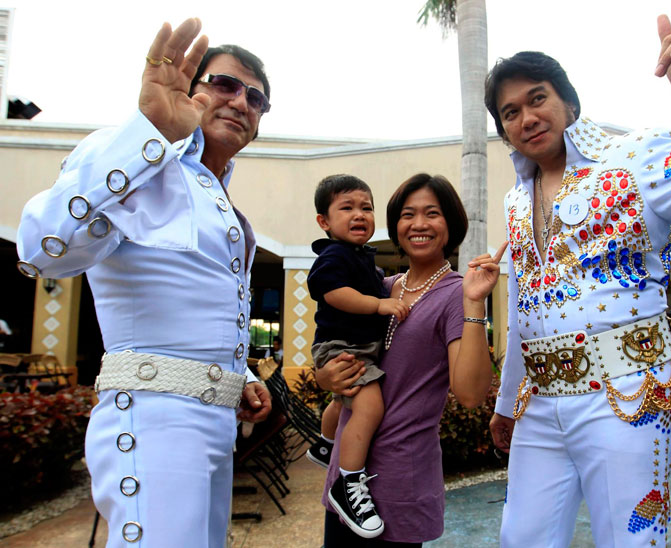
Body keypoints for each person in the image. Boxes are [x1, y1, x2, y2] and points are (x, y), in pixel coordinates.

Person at [486, 16, 671, 548]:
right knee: (521, 536)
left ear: (569, 104)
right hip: (541, 403)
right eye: (511, 113)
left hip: (630, 394)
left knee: (630, 539)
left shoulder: (638, 155)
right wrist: (508, 403)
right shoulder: (513, 201)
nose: (527, 118)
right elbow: (523, 311)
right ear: (504, 129)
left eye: (537, 99)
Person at [16, 19, 272, 547]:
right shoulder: (133, 157)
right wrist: (149, 133)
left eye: (256, 97)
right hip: (154, 418)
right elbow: (40, 249)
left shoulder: (220, 199)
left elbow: (194, 303)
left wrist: (238, 374)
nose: (241, 101)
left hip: (216, 425)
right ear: (189, 86)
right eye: (225, 84)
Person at [315, 173, 507, 547]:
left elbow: (469, 394)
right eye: (407, 214)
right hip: (346, 480)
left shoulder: (457, 294)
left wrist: (474, 303)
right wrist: (326, 377)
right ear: (396, 226)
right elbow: (337, 349)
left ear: (450, 224)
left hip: (402, 480)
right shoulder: (382, 288)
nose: (419, 224)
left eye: (432, 213)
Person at [305, 174, 410, 538]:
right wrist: (379, 304)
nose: (359, 214)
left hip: (354, 347)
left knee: (343, 402)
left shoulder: (360, 256)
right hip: (343, 348)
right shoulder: (333, 255)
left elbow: (370, 282)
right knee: (368, 407)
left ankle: (326, 444)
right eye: (346, 208)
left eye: (366, 208)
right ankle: (347, 485)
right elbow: (333, 292)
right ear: (324, 221)